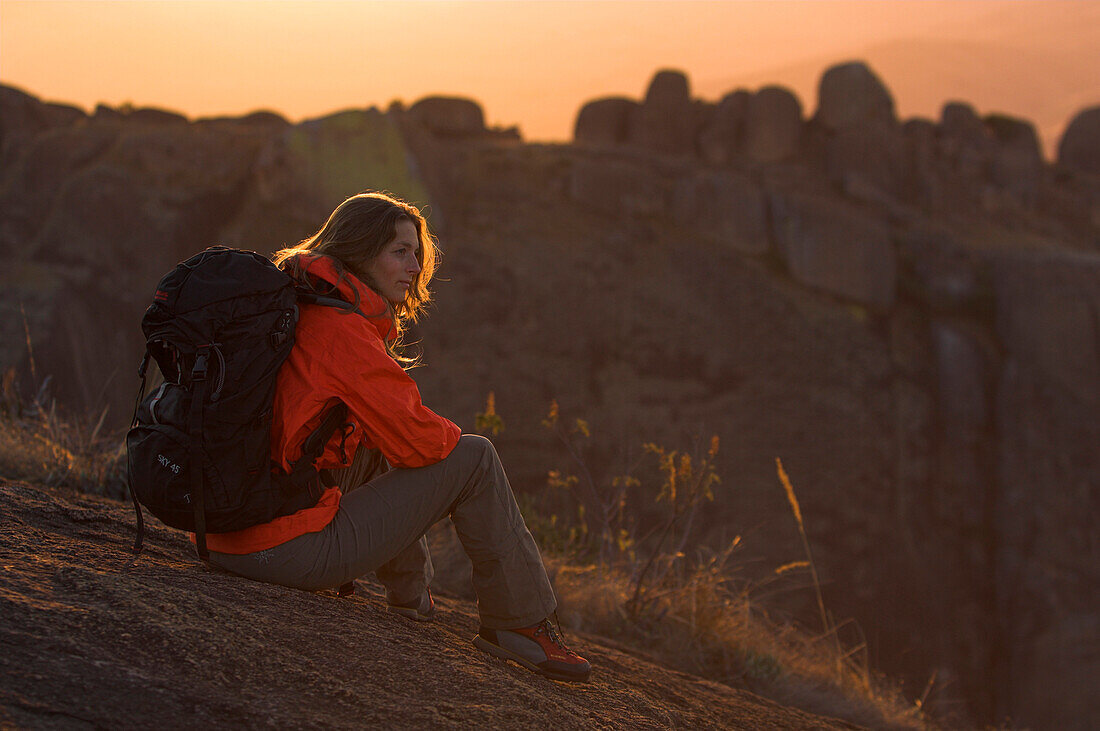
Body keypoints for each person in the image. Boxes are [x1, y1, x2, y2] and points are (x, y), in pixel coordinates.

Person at [204, 191, 590, 683]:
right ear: (359, 252)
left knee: (372, 434)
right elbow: (423, 446)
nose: (415, 265)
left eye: (416, 252)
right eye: (399, 252)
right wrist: (430, 432)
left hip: (224, 535)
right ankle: (520, 624)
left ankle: (410, 596)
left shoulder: (295, 306)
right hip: (280, 551)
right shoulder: (341, 330)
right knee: (474, 456)